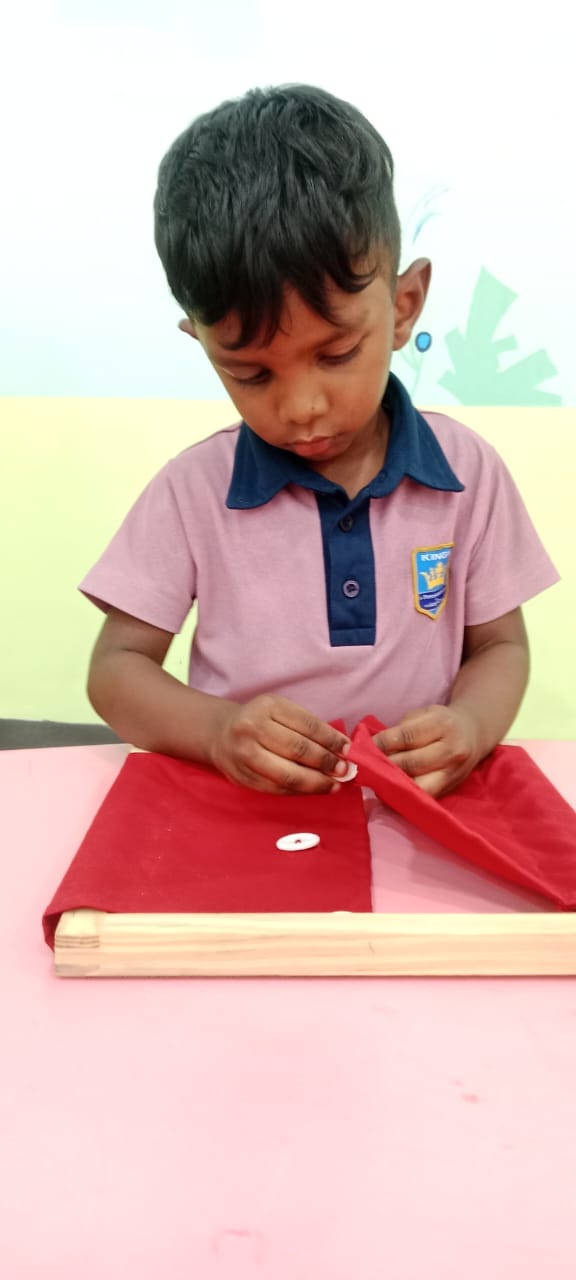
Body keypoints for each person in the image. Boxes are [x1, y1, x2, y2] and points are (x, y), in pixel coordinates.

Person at [82, 84, 559, 800]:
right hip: (247, 815)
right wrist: (217, 731)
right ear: (201, 341)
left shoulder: (468, 474)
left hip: (414, 815)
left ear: (403, 307)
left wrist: (471, 723)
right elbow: (117, 668)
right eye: (250, 373)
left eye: (335, 354)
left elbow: (500, 646)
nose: (301, 409)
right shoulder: (192, 491)